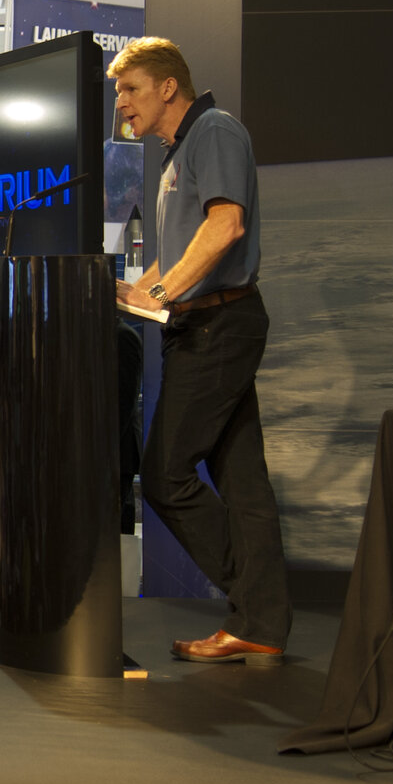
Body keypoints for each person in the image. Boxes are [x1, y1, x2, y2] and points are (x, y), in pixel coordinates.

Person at [112, 36, 291, 665]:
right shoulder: (178, 150)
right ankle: (261, 623)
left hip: (220, 326)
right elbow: (186, 250)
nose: (121, 106)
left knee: (164, 475)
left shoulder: (213, 130)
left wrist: (157, 288)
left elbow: (225, 227)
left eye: (130, 90)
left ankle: (258, 600)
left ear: (167, 86)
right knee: (244, 484)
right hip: (206, 323)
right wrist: (128, 293)